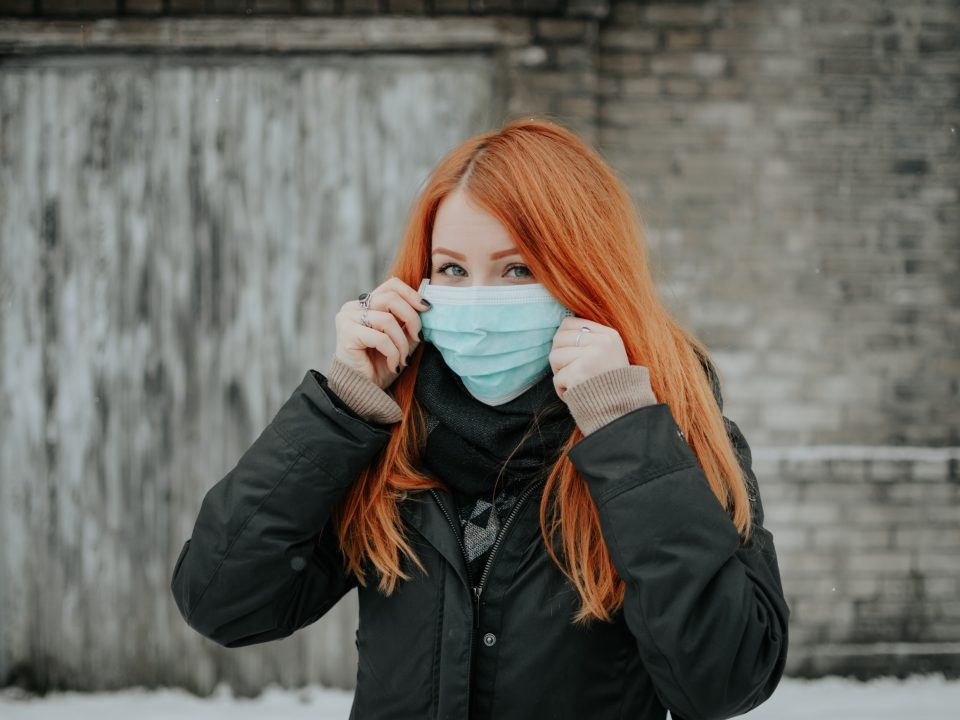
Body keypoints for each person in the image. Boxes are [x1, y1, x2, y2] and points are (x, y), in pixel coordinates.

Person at [170, 117, 789, 720]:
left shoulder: (677, 438)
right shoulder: (395, 443)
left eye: (518, 269)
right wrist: (339, 407)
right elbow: (222, 601)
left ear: (587, 274)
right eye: (453, 270)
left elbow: (724, 680)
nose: (481, 303)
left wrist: (627, 433)